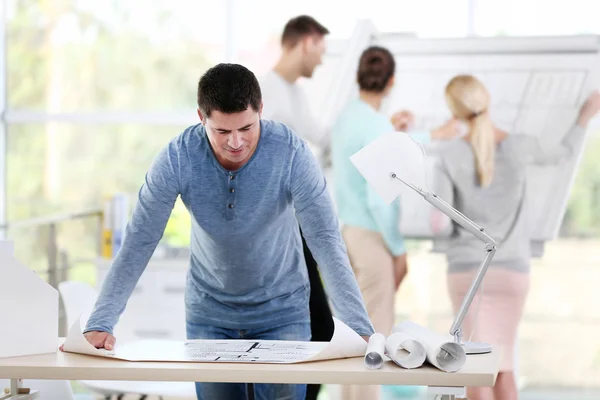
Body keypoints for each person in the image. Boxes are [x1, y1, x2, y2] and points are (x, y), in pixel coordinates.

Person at [75, 63, 374, 400]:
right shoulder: (178, 157)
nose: (235, 142)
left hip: (282, 311)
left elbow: (325, 241)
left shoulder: (291, 153)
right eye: (221, 131)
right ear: (201, 117)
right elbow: (140, 239)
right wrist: (101, 320)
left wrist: (358, 329)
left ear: (260, 109)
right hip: (209, 314)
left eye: (246, 127)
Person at [433, 74, 600, 400]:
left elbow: (440, 225)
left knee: (474, 369)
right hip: (512, 274)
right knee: (503, 367)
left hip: (467, 273)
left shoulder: (449, 156)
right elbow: (564, 152)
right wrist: (585, 116)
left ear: (455, 113)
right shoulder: (521, 146)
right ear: (487, 101)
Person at [330, 45, 459, 400]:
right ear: (391, 82)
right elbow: (378, 198)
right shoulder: (374, 125)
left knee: (356, 343)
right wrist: (398, 250)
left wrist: (407, 133)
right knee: (376, 343)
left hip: (349, 236)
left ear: (359, 76)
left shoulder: (348, 117)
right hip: (372, 240)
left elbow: (378, 142)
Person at [259, 16, 333, 400]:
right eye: (320, 49)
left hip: (300, 227)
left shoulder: (295, 94)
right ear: (306, 42)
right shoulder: (266, 92)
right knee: (316, 327)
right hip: (277, 234)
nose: (321, 60)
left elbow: (323, 138)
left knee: (319, 328)